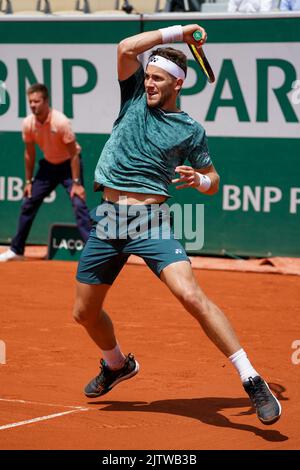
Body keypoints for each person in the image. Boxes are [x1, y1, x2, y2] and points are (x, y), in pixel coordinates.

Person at [73, 24, 281, 425]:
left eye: (157, 78)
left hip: (151, 220)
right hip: (109, 218)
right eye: (147, 76)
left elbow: (213, 182)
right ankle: (116, 365)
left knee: (190, 294)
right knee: (84, 313)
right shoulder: (132, 94)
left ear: (177, 84)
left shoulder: (190, 130)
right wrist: (178, 33)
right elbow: (125, 46)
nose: (148, 82)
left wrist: (199, 180)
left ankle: (251, 379)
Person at [0, 83, 91, 262]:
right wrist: (28, 182)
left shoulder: (61, 122)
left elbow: (74, 154)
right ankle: (17, 250)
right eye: (30, 102)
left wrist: (77, 183)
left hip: (69, 166)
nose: (33, 105)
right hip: (48, 167)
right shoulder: (28, 123)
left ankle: (93, 253)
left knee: (79, 204)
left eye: (36, 101)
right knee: (28, 203)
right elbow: (29, 153)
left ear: (46, 101)